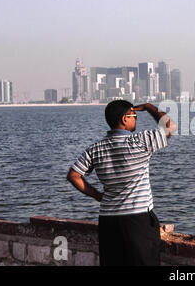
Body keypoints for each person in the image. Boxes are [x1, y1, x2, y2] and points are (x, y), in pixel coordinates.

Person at [66, 100, 177, 266]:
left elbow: (73, 175)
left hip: (108, 222)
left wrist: (97, 196)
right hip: (138, 221)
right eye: (134, 116)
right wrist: (148, 107)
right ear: (125, 119)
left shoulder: (95, 149)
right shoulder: (140, 141)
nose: (136, 119)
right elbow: (170, 127)